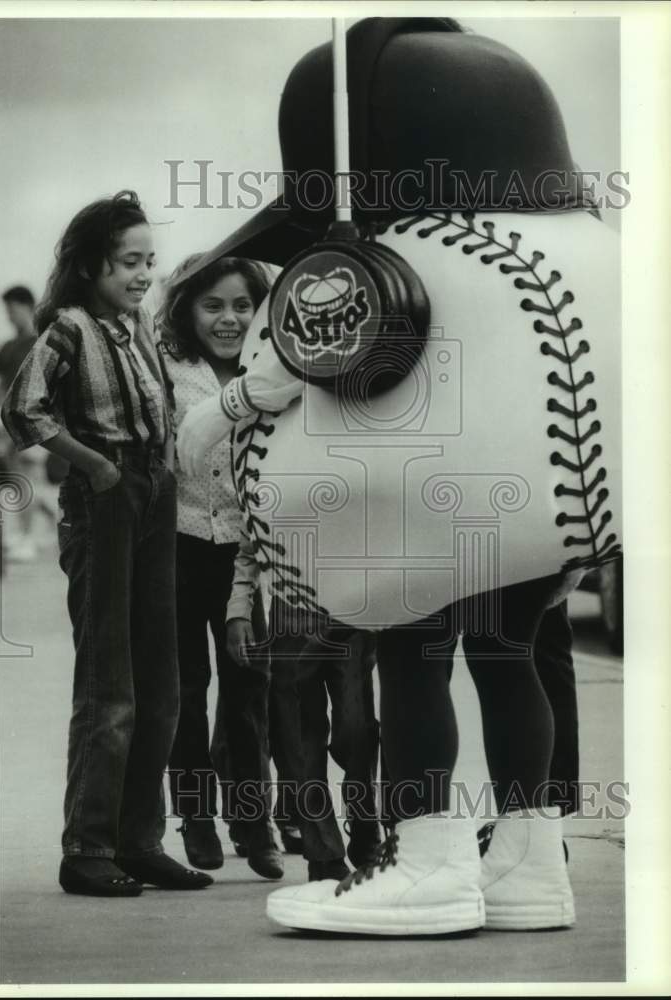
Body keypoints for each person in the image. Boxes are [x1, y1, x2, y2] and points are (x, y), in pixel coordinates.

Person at [177, 18, 620, 935]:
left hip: (415, 510)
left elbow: (238, 411)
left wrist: (224, 412)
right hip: (544, 512)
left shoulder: (355, 265)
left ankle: (431, 866)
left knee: (414, 661)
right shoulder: (588, 255)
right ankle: (532, 863)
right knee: (508, 657)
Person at [1, 190, 211, 897]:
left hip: (151, 491)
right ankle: (87, 848)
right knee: (109, 686)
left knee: (163, 685)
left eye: (149, 260)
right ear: (93, 264)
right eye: (130, 261)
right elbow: (21, 409)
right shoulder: (66, 329)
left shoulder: (138, 326)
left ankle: (139, 840)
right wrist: (92, 465)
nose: (143, 273)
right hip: (106, 498)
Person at [157, 254, 284, 881]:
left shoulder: (269, 371)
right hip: (179, 546)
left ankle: (253, 823)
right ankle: (195, 817)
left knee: (247, 689)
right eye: (213, 306)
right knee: (184, 689)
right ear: (187, 311)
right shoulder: (168, 371)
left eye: (242, 306)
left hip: (244, 554)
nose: (229, 319)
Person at [226, 539, 383, 883]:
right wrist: (239, 607)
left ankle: (364, 819)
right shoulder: (267, 484)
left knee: (356, 731)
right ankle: (322, 852)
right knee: (300, 741)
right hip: (292, 613)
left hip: (352, 601)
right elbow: (250, 545)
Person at [0, 285, 54, 563]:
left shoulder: (39, 343)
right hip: (8, 422)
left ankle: (28, 537)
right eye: (6, 310)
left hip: (32, 421)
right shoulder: (8, 347)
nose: (8, 316)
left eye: (12, 310)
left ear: (26, 307)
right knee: (24, 481)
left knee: (28, 480)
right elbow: (1, 386)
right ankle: (51, 524)